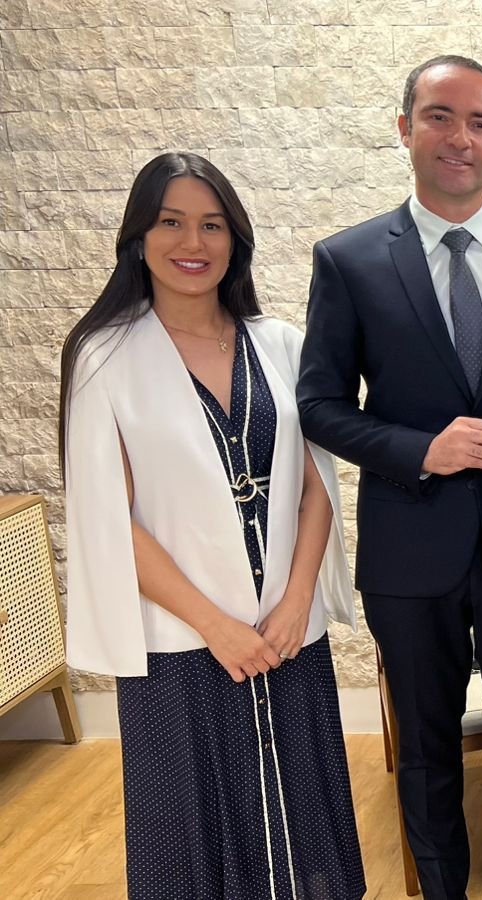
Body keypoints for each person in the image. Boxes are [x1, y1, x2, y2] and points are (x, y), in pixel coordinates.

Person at [297, 56, 482, 900]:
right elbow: (318, 406)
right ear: (404, 128)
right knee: (425, 741)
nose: (460, 138)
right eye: (439, 117)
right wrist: (421, 448)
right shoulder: (349, 260)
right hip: (408, 547)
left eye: (479, 123)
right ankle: (442, 887)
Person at [60, 151, 364, 900]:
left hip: (287, 631)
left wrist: (297, 601)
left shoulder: (281, 344)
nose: (192, 242)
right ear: (139, 238)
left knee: (303, 822)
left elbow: (316, 487)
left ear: (235, 240)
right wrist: (216, 626)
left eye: (211, 225)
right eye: (170, 223)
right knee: (192, 838)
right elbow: (110, 518)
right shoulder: (104, 356)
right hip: (180, 640)